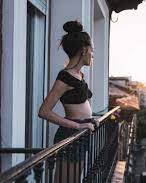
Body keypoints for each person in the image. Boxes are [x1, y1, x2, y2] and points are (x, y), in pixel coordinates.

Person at [38, 20, 96, 183]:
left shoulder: (79, 76)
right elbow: (44, 111)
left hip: (81, 135)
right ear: (84, 50)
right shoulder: (65, 77)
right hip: (71, 135)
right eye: (92, 50)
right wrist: (78, 126)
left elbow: (85, 103)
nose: (93, 54)